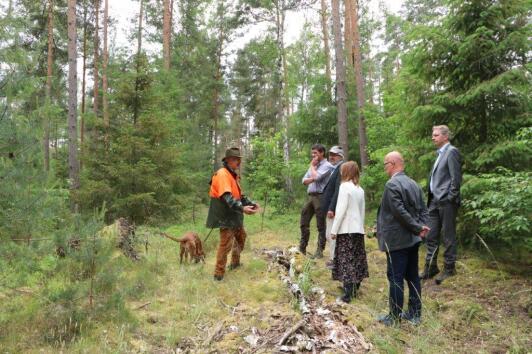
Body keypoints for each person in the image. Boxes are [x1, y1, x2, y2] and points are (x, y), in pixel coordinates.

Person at [376, 151, 430, 326]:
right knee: (412, 276)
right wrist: (421, 227)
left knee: (395, 277)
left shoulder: (392, 185)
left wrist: (417, 227)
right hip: (413, 239)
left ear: (392, 164)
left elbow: (399, 213)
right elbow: (423, 209)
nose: (385, 169)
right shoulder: (413, 183)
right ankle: (415, 314)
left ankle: (394, 316)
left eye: (385, 165)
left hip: (398, 241)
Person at [206, 147, 259, 281]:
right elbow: (228, 198)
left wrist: (251, 203)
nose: (238, 162)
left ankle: (235, 263)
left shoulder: (232, 175)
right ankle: (218, 274)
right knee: (226, 244)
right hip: (225, 216)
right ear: (228, 160)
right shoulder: (223, 174)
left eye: (239, 160)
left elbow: (239, 196)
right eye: (236, 159)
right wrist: (243, 209)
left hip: (233, 215)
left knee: (241, 238)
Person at [421, 125, 462, 284]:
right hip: (434, 201)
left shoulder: (451, 152)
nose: (433, 137)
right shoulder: (440, 154)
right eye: (433, 134)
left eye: (436, 135)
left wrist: (450, 198)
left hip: (446, 202)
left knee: (448, 235)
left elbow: (455, 179)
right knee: (431, 235)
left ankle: (449, 269)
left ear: (445, 137)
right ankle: (430, 267)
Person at [330, 161, 368, 303]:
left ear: (346, 172)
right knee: (357, 259)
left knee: (346, 260)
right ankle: (355, 287)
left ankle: (348, 294)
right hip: (358, 229)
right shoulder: (360, 189)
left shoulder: (344, 187)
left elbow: (340, 210)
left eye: (342, 170)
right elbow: (362, 212)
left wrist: (334, 230)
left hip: (346, 229)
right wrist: (361, 227)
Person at [299, 144, 334, 258]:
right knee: (304, 219)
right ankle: (302, 248)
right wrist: (312, 176)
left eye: (315, 153)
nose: (313, 155)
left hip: (321, 196)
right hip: (311, 196)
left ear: (322, 153)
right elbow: (304, 181)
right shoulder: (314, 165)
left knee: (321, 225)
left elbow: (317, 177)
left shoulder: (327, 166)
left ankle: (319, 250)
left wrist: (313, 169)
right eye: (312, 153)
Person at [320, 146, 345, 268]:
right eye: (330, 154)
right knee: (329, 234)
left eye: (334, 155)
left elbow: (338, 190)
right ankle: (334, 258)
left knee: (332, 234)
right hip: (330, 208)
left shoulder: (341, 168)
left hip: (332, 209)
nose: (331, 157)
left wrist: (332, 208)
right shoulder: (335, 168)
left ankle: (334, 260)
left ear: (341, 156)